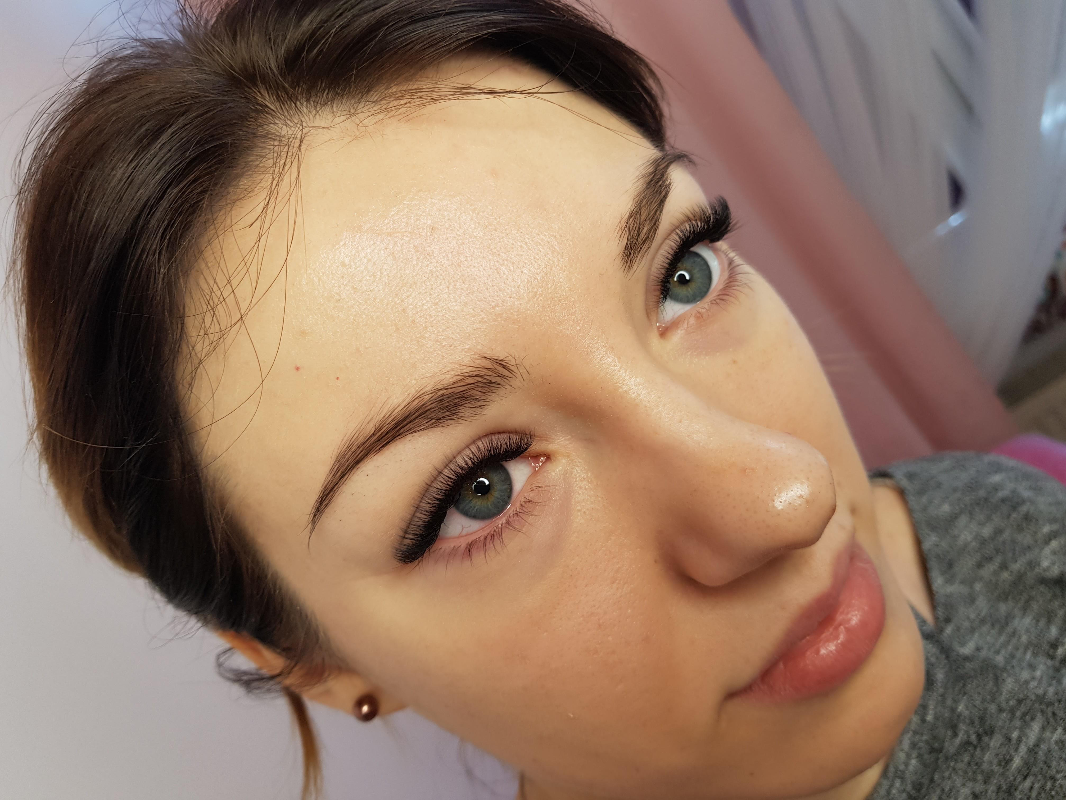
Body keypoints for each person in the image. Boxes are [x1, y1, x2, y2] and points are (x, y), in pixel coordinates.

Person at [12, 1, 1065, 798]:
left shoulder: (998, 504)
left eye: (682, 273)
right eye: (480, 487)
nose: (789, 498)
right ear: (312, 658)